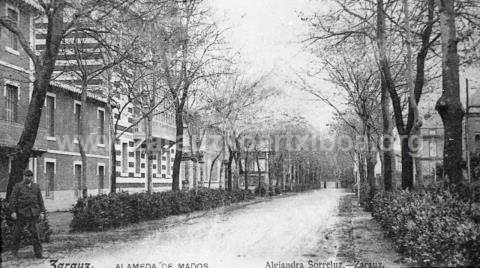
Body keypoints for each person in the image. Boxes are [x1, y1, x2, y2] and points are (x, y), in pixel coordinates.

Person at [9, 169, 46, 258]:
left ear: (32, 177)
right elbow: (13, 199)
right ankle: (14, 252)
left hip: (33, 213)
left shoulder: (36, 187)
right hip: (21, 213)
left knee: (35, 234)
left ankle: (38, 253)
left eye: (29, 176)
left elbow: (40, 200)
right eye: (26, 176)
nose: (28, 178)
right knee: (17, 233)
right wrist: (13, 211)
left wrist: (42, 212)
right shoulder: (18, 186)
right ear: (23, 176)